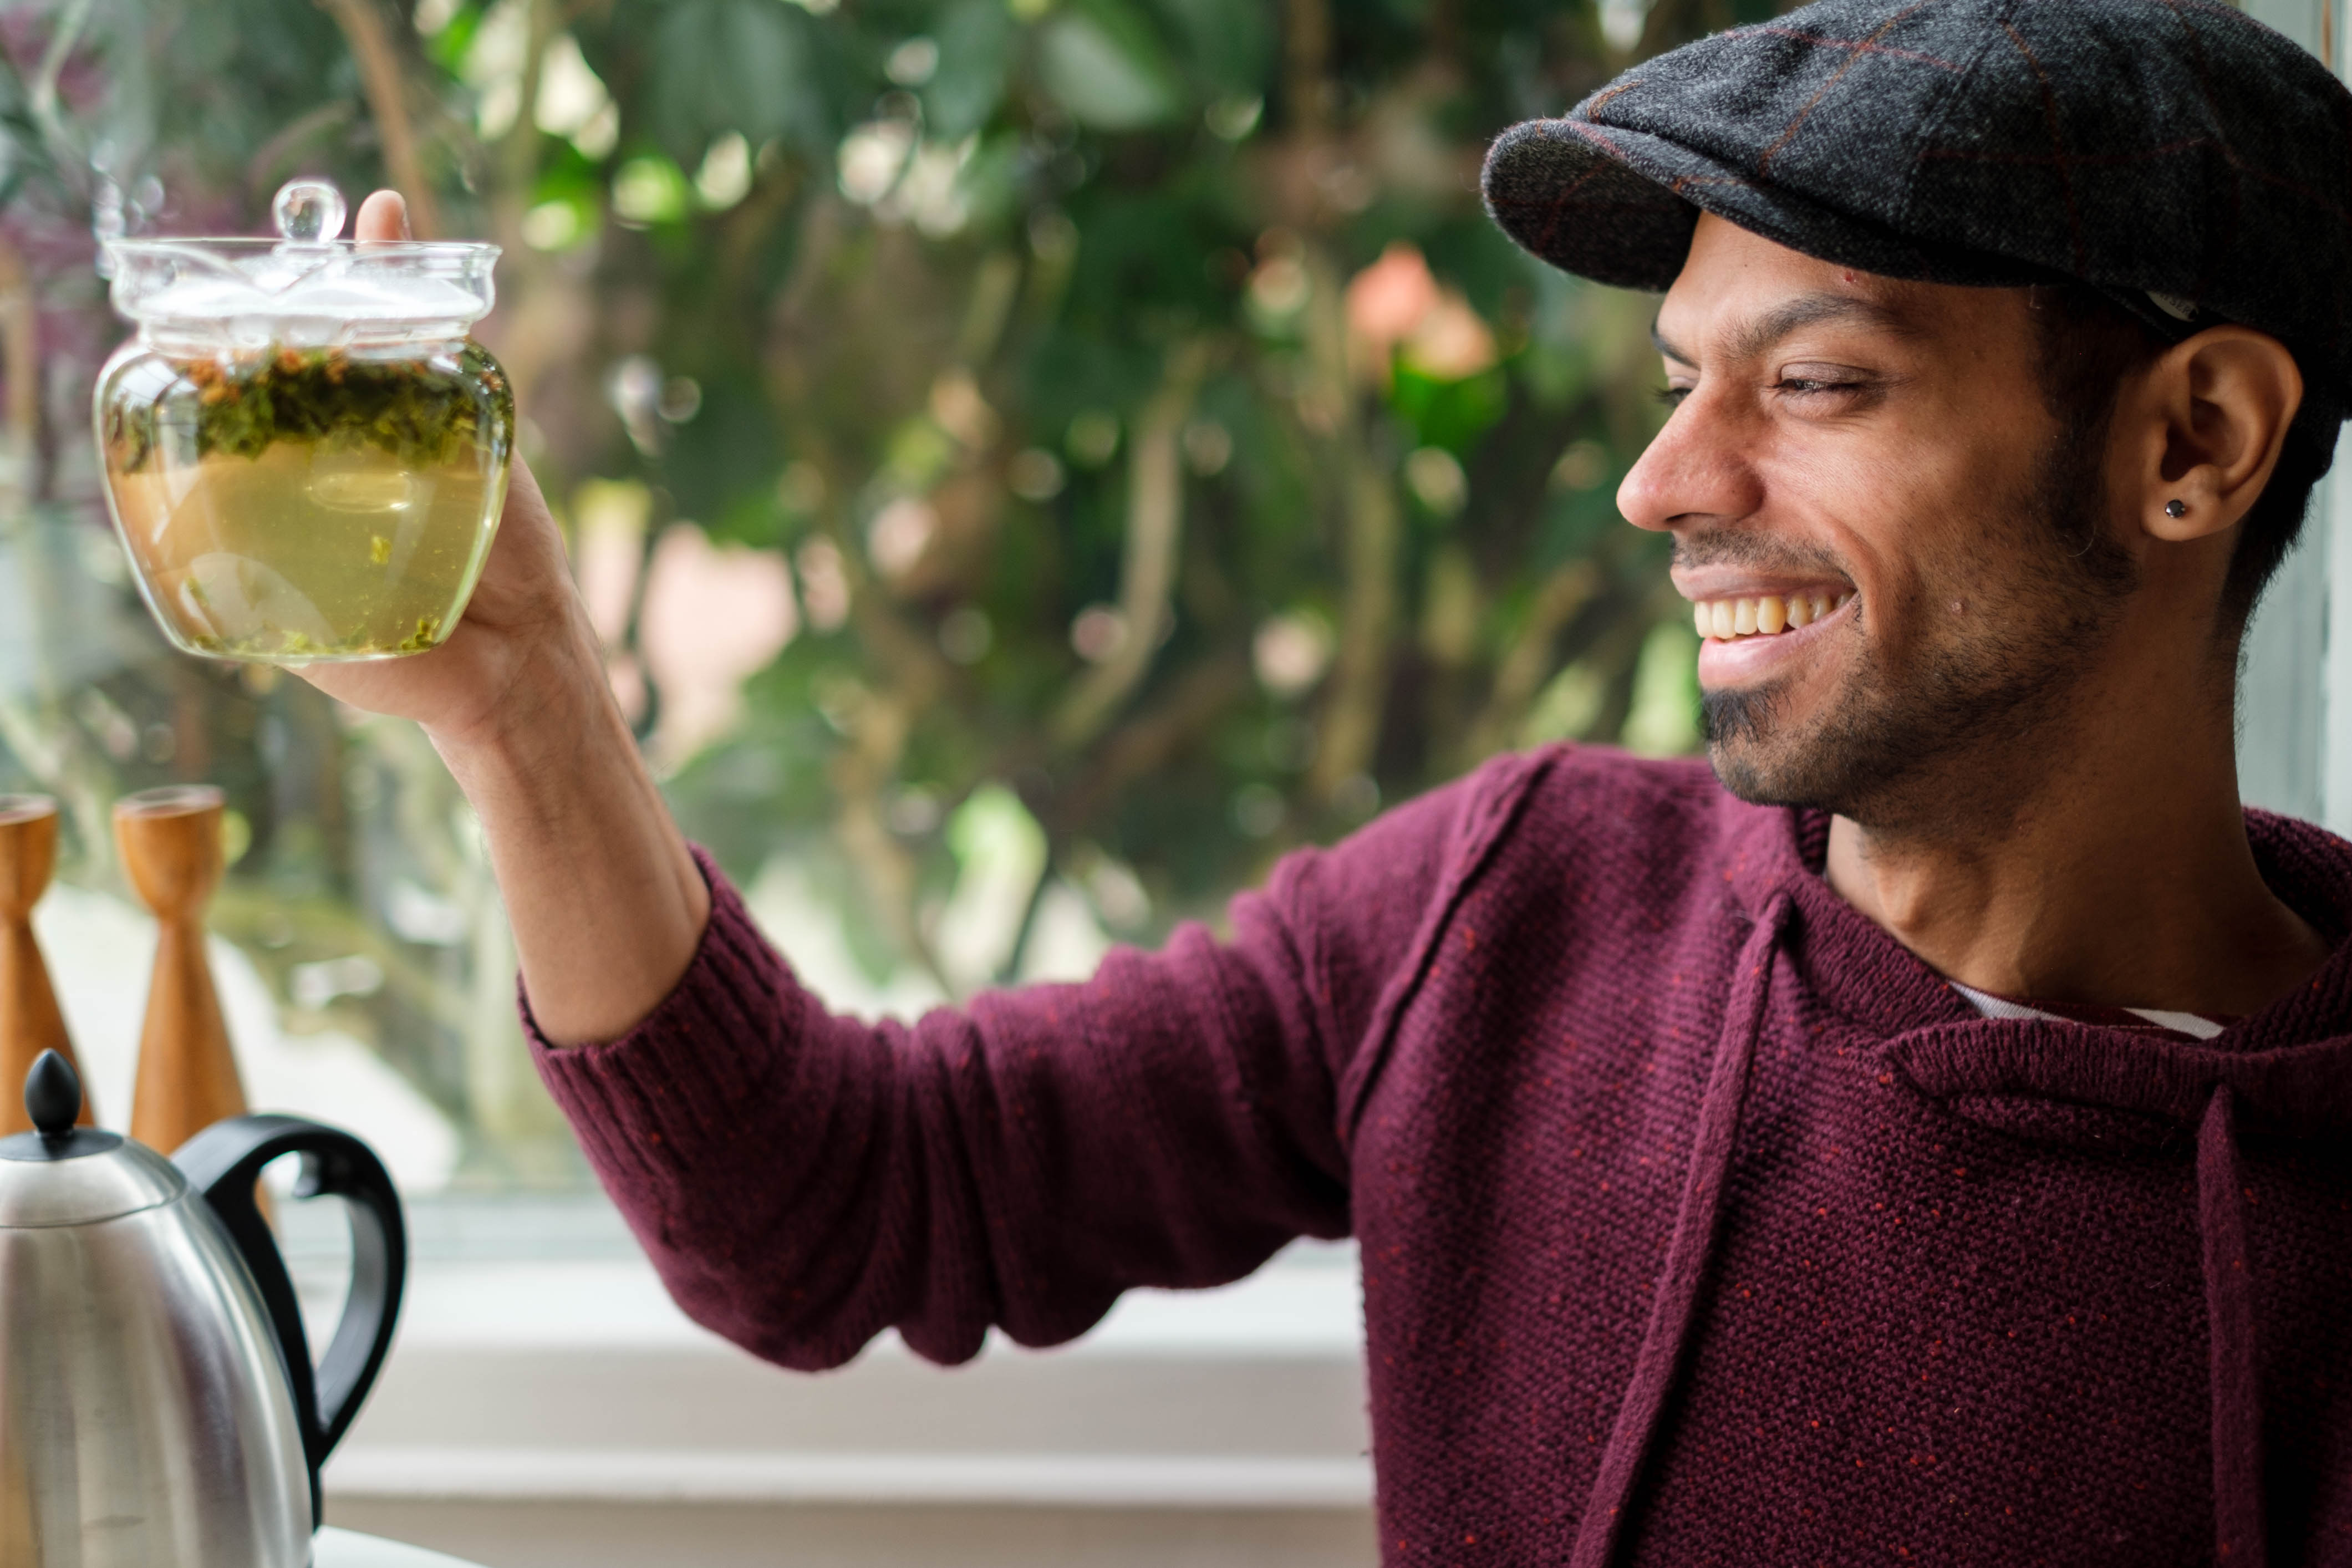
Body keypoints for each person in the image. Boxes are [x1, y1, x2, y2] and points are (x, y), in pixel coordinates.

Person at [314, 0, 2352, 1560]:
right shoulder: (1510, 910)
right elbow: (830, 1207)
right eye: (1675, 381)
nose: (1666, 481)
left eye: (1812, 384)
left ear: (2193, 438)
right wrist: (523, 700)